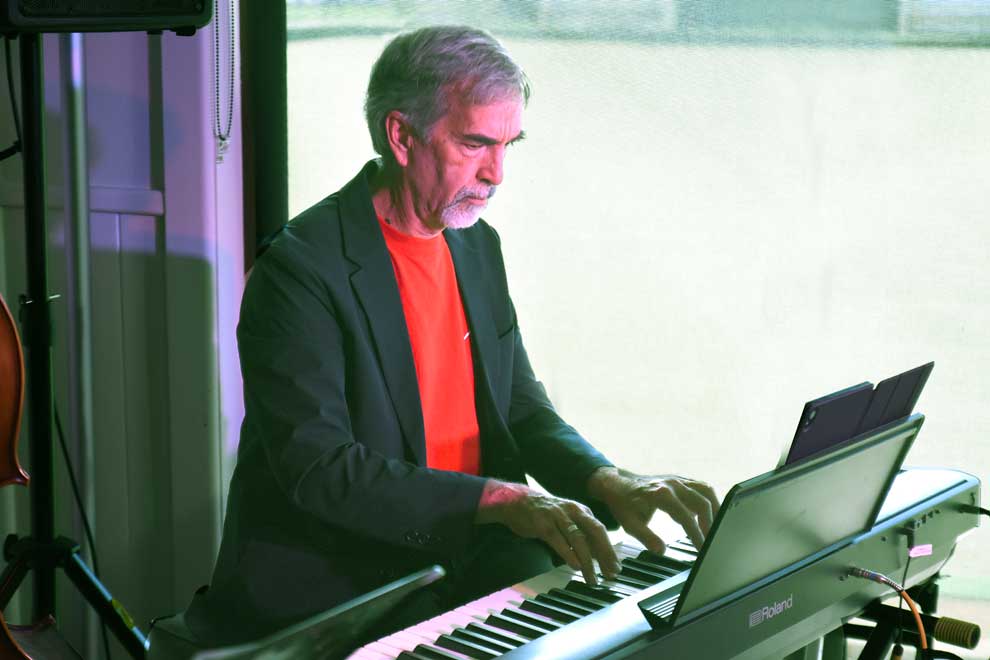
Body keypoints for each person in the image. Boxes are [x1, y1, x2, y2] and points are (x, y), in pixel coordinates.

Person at [186, 25, 719, 646]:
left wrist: (608, 480)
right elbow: (323, 471)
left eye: (508, 145)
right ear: (401, 136)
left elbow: (520, 408)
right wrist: (505, 501)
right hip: (345, 581)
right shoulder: (299, 270)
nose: (496, 173)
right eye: (474, 143)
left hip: (466, 556)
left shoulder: (475, 244)